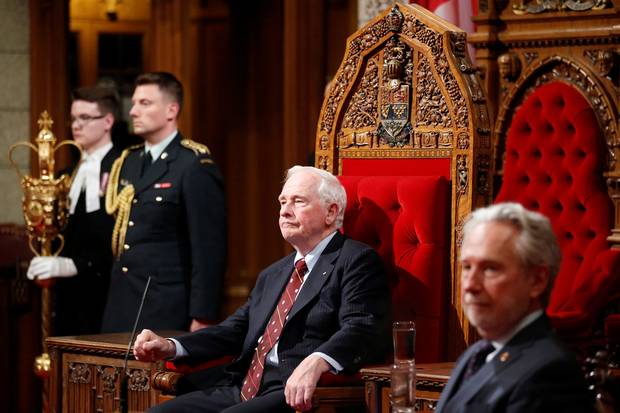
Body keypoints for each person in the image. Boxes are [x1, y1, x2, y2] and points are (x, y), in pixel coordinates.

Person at [132, 166, 390, 413]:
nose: (285, 212)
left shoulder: (354, 260)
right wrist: (171, 345)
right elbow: (235, 330)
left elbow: (361, 327)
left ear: (331, 212)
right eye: (282, 202)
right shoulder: (274, 273)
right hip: (244, 385)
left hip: (294, 390)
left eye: (298, 202)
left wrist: (318, 360)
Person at [435, 202, 594, 413]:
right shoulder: (475, 354)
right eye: (467, 267)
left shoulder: (549, 373)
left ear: (537, 280)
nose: (470, 284)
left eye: (490, 268)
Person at [102, 71, 227, 333]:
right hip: (122, 302)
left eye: (144, 103)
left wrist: (203, 315)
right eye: (134, 103)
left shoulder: (193, 163)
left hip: (167, 306)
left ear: (171, 110)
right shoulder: (128, 161)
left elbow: (208, 247)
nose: (133, 111)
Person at [26, 85, 122, 335]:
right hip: (68, 294)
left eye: (85, 118)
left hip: (107, 291)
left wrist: (78, 265)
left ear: (108, 121)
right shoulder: (65, 175)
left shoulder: (124, 167)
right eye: (74, 118)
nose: (76, 125)